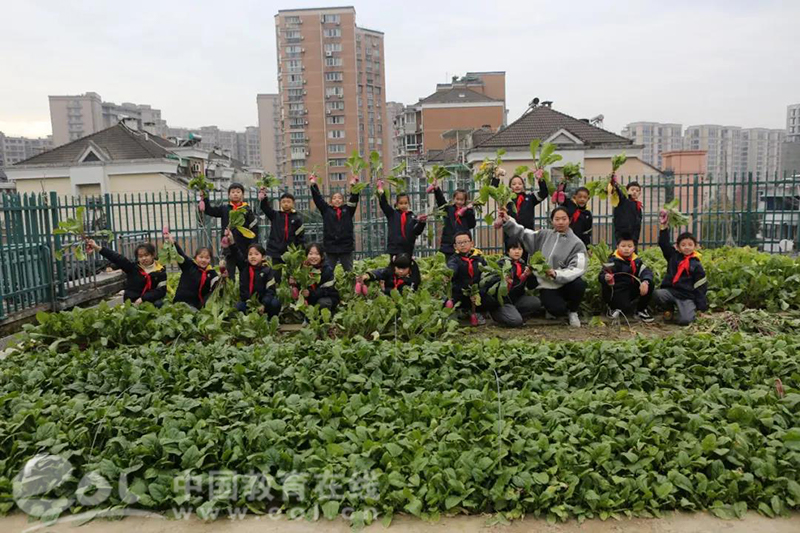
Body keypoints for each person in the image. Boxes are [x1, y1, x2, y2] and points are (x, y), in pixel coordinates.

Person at [498, 206, 587, 328]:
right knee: (557, 310)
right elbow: (523, 233)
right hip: (547, 284)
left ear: (569, 220)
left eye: (564, 219)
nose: (560, 222)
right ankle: (556, 307)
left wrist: (556, 274)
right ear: (552, 221)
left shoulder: (577, 243)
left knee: (579, 284)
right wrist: (508, 220)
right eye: (557, 219)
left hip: (566, 283)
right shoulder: (544, 235)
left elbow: (578, 268)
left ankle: (573, 311)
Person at [199, 182, 257, 280]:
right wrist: (204, 197)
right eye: (233, 192)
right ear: (229, 195)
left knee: (245, 274)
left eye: (238, 192)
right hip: (229, 249)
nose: (235, 194)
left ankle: (244, 294)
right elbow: (209, 211)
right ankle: (230, 293)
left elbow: (254, 229)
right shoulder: (224, 209)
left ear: (242, 195)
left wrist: (253, 246)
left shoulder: (247, 210)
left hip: (243, 248)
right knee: (229, 275)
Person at [653, 223, 708, 326]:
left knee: (686, 320)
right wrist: (664, 227)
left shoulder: (696, 265)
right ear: (678, 247)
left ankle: (683, 311)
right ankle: (669, 309)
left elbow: (701, 287)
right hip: (671, 291)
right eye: (683, 245)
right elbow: (663, 244)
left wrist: (701, 308)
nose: (687, 247)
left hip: (686, 296)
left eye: (690, 245)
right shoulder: (673, 256)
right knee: (657, 294)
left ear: (695, 246)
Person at [86, 239, 167, 307]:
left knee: (159, 304)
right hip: (132, 301)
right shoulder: (133, 268)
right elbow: (116, 257)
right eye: (140, 256)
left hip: (149, 302)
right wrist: (96, 247)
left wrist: (143, 299)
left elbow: (161, 291)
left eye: (146, 255)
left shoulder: (160, 271)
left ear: (153, 255)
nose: (144, 258)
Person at [223, 230, 281, 317]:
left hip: (263, 305)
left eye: (256, 254)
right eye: (250, 254)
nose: (253, 256)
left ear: (263, 257)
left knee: (275, 303)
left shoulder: (267, 271)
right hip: (247, 304)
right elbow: (236, 252)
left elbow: (270, 291)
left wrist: (263, 304)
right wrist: (231, 241)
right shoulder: (244, 267)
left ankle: (269, 320)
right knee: (235, 309)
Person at [598, 233, 654, 322]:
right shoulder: (612, 261)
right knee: (624, 306)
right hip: (617, 290)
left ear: (634, 248)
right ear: (617, 247)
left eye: (629, 246)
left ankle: (641, 310)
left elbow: (646, 271)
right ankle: (612, 307)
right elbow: (601, 275)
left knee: (650, 283)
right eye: (623, 246)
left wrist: (645, 281)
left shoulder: (637, 261)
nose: (626, 248)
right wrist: (605, 277)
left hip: (631, 288)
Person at [309, 174, 360, 271]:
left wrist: (354, 186)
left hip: (346, 246)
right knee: (328, 270)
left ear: (343, 200)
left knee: (349, 271)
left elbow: (354, 199)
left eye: (340, 198)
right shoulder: (326, 210)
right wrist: (313, 184)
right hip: (330, 246)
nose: (337, 200)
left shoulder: (348, 209)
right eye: (334, 198)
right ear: (331, 201)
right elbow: (318, 199)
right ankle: (328, 286)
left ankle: (350, 286)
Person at [447, 231, 498, 326]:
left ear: (472, 243)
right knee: (449, 302)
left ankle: (477, 312)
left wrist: (479, 292)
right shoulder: (454, 259)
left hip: (477, 292)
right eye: (459, 243)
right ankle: (463, 312)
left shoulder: (479, 259)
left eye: (465, 242)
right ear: (455, 246)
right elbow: (452, 268)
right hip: (461, 292)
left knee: (492, 301)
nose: (463, 245)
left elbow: (487, 276)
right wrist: (449, 274)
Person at [485, 239, 541, 327]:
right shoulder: (501, 264)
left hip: (516, 300)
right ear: (508, 251)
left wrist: (530, 275)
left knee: (535, 302)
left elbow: (531, 286)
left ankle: (512, 314)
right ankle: (497, 315)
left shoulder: (523, 266)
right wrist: (502, 279)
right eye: (514, 249)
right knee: (516, 321)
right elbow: (489, 282)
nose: (517, 252)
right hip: (502, 301)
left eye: (520, 249)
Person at [164, 231, 221, 310]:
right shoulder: (189, 265)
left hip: (196, 305)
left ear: (210, 260)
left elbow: (217, 288)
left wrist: (223, 276)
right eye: (201, 257)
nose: (203, 260)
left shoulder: (212, 273)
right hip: (180, 301)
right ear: (195, 257)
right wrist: (173, 243)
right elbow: (181, 255)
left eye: (207, 258)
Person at [258, 189, 305, 272]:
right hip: (274, 251)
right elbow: (265, 207)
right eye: (283, 202)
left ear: (293, 203)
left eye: (288, 202)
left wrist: (300, 252)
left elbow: (300, 237)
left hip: (290, 252)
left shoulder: (297, 218)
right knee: (274, 274)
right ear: (280, 203)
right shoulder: (275, 215)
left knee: (290, 274)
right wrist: (263, 196)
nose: (286, 204)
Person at [377, 181, 427, 258]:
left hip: (407, 249)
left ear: (409, 204)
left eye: (405, 203)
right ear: (397, 204)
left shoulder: (412, 217)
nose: (403, 205)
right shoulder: (392, 214)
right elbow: (384, 204)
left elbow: (416, 231)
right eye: (401, 203)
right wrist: (381, 192)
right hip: (394, 249)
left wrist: (422, 222)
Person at [429, 184, 476, 259]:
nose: (459, 202)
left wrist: (469, 211)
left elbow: (472, 225)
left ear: (465, 201)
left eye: (462, 200)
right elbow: (441, 201)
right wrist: (437, 189)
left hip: (462, 245)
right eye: (457, 199)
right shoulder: (449, 209)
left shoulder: (467, 212)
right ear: (454, 199)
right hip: (448, 244)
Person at [292, 243, 339, 313]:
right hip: (311, 298)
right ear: (306, 255)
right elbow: (299, 286)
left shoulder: (326, 270)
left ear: (322, 256)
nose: (313, 256)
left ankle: (329, 314)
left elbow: (327, 290)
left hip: (327, 297)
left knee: (322, 303)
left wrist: (310, 293)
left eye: (317, 254)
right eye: (310, 254)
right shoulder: (302, 269)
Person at [612, 180, 643, 247]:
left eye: (637, 191)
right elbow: (619, 193)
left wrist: (635, 238)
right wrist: (614, 182)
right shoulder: (623, 201)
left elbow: (638, 225)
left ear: (639, 193)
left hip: (633, 238)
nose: (634, 192)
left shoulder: (638, 207)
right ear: (627, 191)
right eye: (632, 190)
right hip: (621, 236)